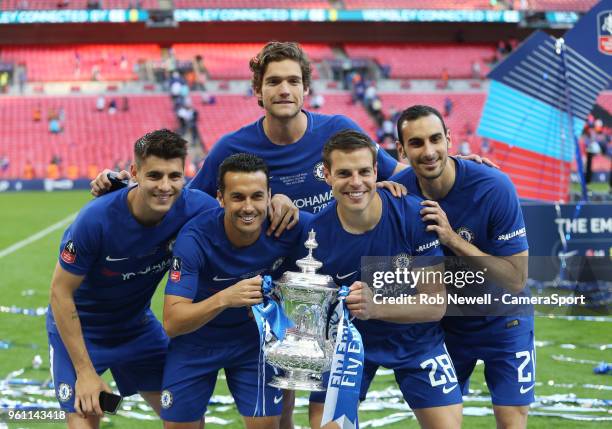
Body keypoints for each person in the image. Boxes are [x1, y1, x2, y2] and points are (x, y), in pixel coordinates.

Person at [47, 129, 218, 429]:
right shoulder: (95, 219)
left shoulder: (196, 208)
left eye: (174, 176)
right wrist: (85, 373)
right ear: (135, 172)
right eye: (154, 176)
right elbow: (60, 294)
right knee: (87, 416)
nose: (165, 186)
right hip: (82, 332)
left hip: (136, 328)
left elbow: (245, 216)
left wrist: (278, 201)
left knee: (185, 417)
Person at [299, 130, 462, 429]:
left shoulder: (415, 216)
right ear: (327, 175)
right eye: (344, 173)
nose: (356, 182)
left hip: (416, 338)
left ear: (376, 171)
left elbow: (436, 305)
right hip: (348, 343)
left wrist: (376, 307)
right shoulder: (315, 234)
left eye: (364, 171)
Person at [392, 105, 532, 429]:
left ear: (449, 139)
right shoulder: (396, 193)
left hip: (504, 319)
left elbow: (516, 278)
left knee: (512, 422)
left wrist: (452, 239)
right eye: (416, 143)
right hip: (443, 327)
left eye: (435, 139)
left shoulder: (494, 186)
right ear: (401, 149)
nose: (428, 151)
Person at [161, 153, 310, 429]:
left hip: (252, 342)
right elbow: (171, 322)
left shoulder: (289, 226)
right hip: (196, 341)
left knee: (267, 424)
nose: (248, 207)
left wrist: (390, 189)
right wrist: (225, 298)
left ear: (270, 196)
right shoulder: (195, 238)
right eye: (238, 197)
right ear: (221, 198)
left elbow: (345, 226)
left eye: (257, 196)